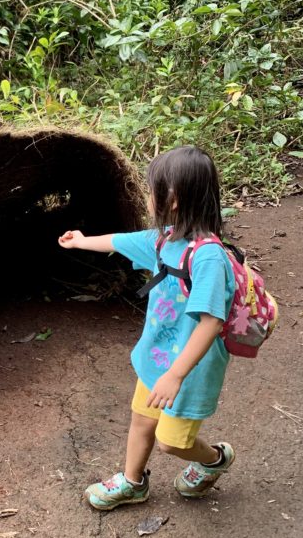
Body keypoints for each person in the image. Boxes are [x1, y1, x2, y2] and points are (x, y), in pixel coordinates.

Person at [58, 146, 236, 510]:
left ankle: (214, 459)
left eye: (153, 188)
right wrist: (80, 240)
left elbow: (211, 321)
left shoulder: (208, 257)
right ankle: (133, 481)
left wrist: (175, 375)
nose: (147, 193)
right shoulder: (164, 239)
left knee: (173, 441)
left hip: (190, 369)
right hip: (157, 356)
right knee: (142, 421)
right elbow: (120, 242)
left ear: (174, 199)